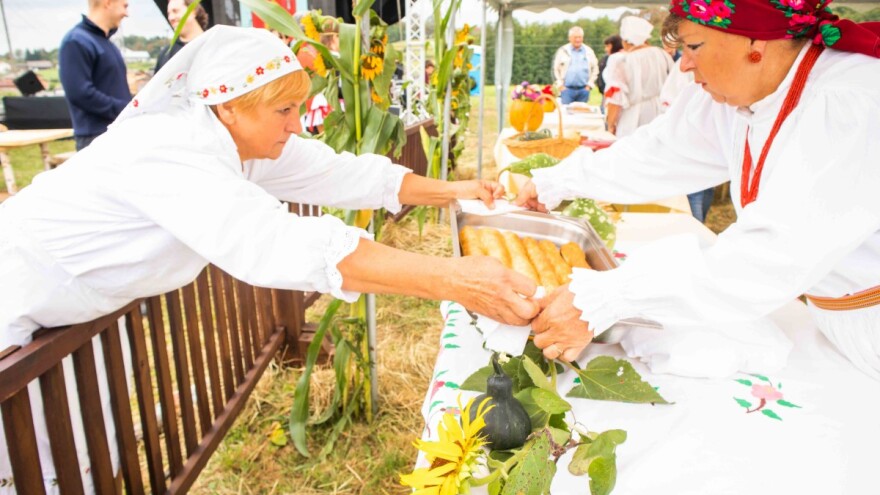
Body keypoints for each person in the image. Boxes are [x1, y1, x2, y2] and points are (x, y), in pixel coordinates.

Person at [0, 27, 540, 491]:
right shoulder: (168, 148)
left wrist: (459, 189)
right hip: (16, 297)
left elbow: (346, 174)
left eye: (297, 109)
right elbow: (274, 241)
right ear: (228, 105)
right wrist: (452, 278)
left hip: (75, 305)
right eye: (284, 110)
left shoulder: (237, 139)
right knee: (25, 460)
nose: (295, 124)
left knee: (83, 451)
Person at [515, 2, 880, 381]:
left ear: (754, 40)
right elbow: (658, 152)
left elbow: (771, 253)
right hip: (832, 319)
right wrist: (556, 182)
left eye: (694, 47)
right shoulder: (744, 92)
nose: (684, 65)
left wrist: (608, 298)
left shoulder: (851, 102)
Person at [59, 0, 132, 151]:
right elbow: (80, 93)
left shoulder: (106, 43)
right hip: (95, 137)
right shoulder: (76, 41)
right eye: (124, 6)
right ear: (108, 3)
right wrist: (124, 109)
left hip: (117, 131)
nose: (127, 13)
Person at [658, 54, 714, 223]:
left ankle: (695, 226)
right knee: (706, 184)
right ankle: (699, 223)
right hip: (706, 131)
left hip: (693, 132)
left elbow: (671, 97)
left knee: (694, 190)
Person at [602, 16, 673, 136]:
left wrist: (610, 125)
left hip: (633, 116)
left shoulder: (622, 60)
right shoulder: (661, 54)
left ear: (625, 41)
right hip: (660, 112)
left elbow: (616, 97)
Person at [154, 0, 209, 72]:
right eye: (169, 14)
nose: (171, 18)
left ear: (193, 11)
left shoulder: (214, 45)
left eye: (175, 11)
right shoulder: (165, 55)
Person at [553, 26, 600, 104]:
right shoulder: (563, 51)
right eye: (575, 37)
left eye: (580, 37)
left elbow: (595, 69)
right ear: (570, 38)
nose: (578, 40)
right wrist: (560, 86)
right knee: (566, 114)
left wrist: (589, 86)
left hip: (583, 90)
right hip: (567, 90)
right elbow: (555, 69)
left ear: (582, 38)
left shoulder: (589, 51)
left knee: (582, 114)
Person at [597, 34, 623, 113]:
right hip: (607, 94)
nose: (606, 49)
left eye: (608, 46)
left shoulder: (617, 58)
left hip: (615, 97)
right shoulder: (607, 58)